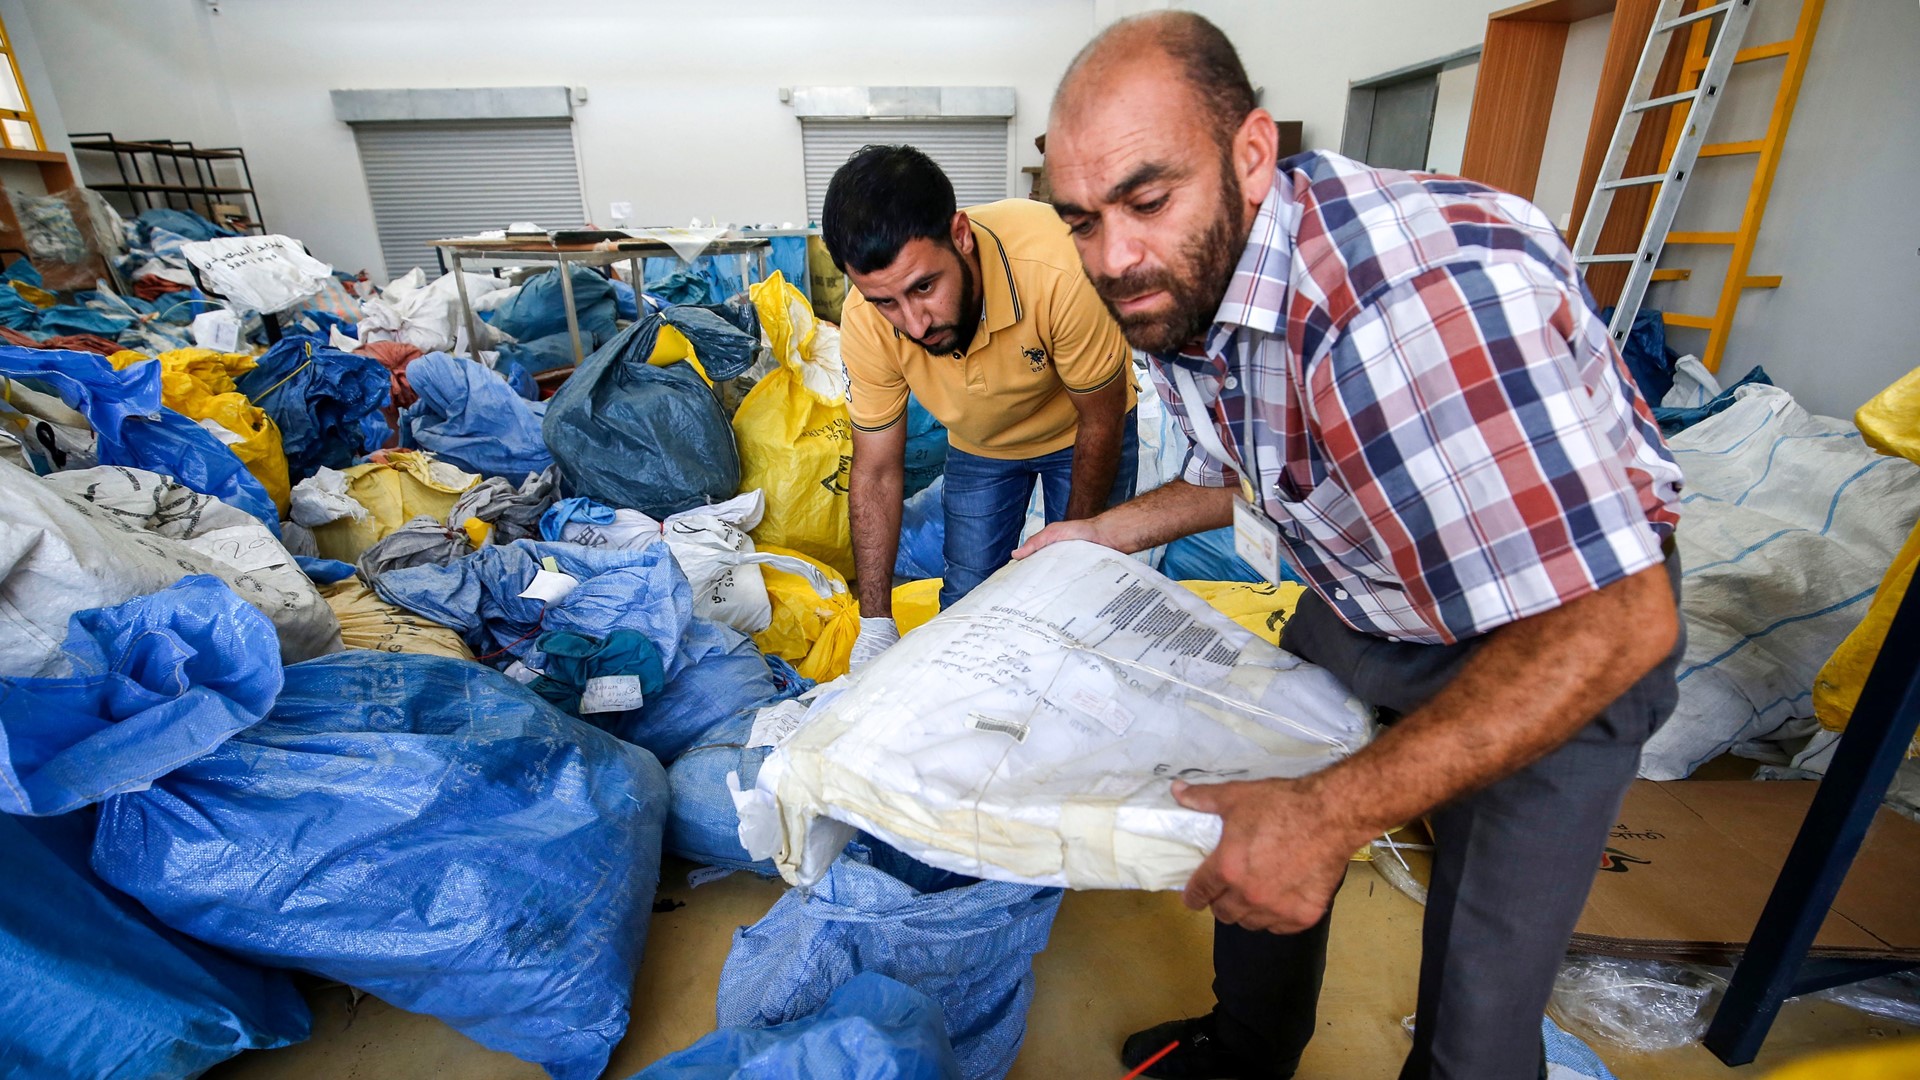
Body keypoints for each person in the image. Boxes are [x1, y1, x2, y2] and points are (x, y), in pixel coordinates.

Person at [1023, 12, 1687, 1080]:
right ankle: (1248, 1049)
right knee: (1251, 790)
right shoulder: (1192, 285)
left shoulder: (1406, 312)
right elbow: (1252, 465)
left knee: (1477, 1010)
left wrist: (1329, 815)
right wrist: (1099, 533)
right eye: (1081, 220)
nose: (1115, 256)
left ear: (1252, 153)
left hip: (1560, 628)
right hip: (1370, 589)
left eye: (1147, 201)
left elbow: (1617, 619)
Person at [823, 145, 1140, 668]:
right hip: (981, 444)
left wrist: (1070, 564)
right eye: (886, 302)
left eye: (924, 287)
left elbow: (1101, 421)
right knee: (966, 602)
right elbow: (876, 470)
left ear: (961, 236)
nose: (914, 323)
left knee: (1081, 605)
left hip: (1081, 433)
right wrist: (874, 623)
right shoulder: (865, 320)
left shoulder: (1062, 266)